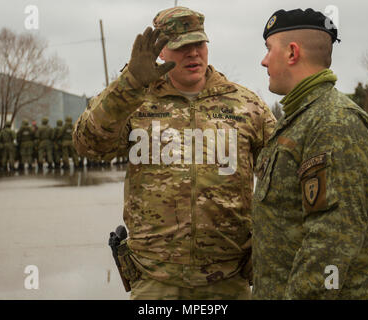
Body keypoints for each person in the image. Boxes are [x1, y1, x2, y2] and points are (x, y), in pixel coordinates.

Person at [73, 6, 276, 300]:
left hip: (228, 278)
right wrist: (129, 83)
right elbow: (88, 143)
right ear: (161, 51)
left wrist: (268, 241)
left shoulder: (245, 104)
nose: (193, 54)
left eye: (199, 44)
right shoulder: (136, 100)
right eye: (182, 46)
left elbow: (280, 178)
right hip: (156, 279)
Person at [252, 8, 368, 299]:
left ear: (292, 52)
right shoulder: (301, 120)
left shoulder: (335, 123)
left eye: (268, 49)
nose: (263, 60)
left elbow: (332, 244)